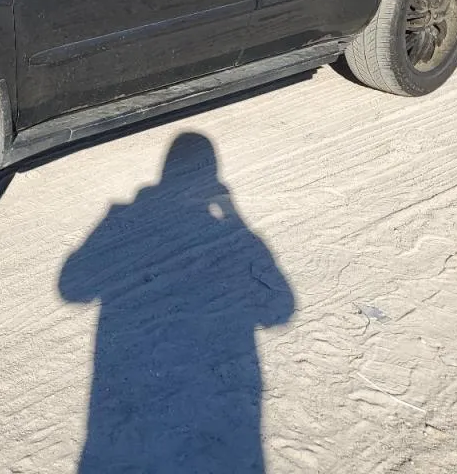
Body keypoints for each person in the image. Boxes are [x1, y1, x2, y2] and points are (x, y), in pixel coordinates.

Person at [59, 132, 295, 473]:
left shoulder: (120, 217)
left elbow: (71, 287)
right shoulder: (233, 233)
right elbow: (280, 310)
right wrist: (234, 216)